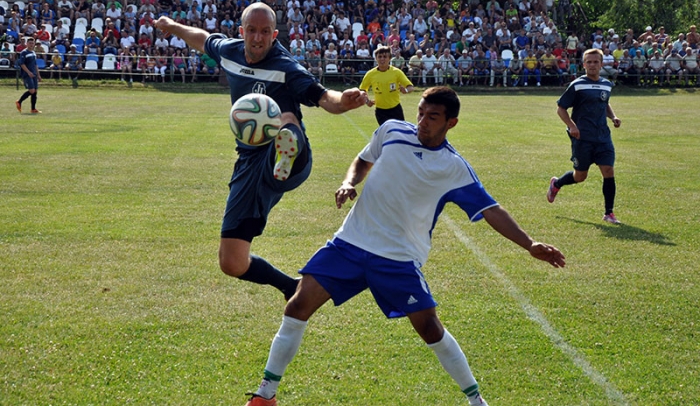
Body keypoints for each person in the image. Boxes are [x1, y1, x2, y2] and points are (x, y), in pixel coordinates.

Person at [244, 86, 566, 406]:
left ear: (450, 123)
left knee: (429, 327)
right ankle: (265, 394)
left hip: (398, 259)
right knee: (298, 306)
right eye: (421, 113)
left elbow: (491, 210)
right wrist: (348, 182)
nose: (423, 121)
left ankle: (476, 400)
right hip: (351, 243)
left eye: (433, 117)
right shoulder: (391, 131)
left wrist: (529, 244)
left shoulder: (454, 167)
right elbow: (363, 159)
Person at [154, 3, 369, 300]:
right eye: (252, 31)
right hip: (249, 161)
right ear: (242, 32)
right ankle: (289, 286)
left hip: (293, 160)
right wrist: (173, 26)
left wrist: (344, 101)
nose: (258, 38)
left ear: (274, 34)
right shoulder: (229, 52)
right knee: (232, 261)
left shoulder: (285, 68)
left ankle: (286, 145)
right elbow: (202, 38)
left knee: (285, 117)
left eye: (265, 32)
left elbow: (323, 97)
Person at [547, 48, 622, 225]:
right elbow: (561, 108)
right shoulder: (577, 85)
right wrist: (572, 126)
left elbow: (604, 103)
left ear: (601, 64)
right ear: (584, 64)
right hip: (582, 137)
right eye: (589, 62)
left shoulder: (606, 84)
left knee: (608, 171)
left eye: (596, 62)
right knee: (580, 176)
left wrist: (613, 117)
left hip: (603, 137)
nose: (592, 65)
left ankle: (609, 213)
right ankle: (556, 184)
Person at [359, 45, 412, 125]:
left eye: (385, 56)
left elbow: (410, 87)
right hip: (381, 111)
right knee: (387, 135)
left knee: (400, 134)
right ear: (376, 58)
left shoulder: (396, 72)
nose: (382, 59)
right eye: (379, 57)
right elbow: (362, 90)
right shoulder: (370, 74)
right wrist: (367, 101)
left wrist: (406, 90)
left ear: (389, 58)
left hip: (396, 109)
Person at [15, 37, 42, 114]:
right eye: (30, 43)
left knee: (35, 91)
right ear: (27, 44)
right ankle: (19, 102)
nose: (31, 44)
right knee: (31, 90)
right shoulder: (24, 52)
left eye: (32, 43)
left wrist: (38, 74)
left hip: (34, 74)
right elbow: (22, 64)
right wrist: (28, 72)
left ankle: (33, 109)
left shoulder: (33, 52)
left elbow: (35, 64)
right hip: (27, 74)